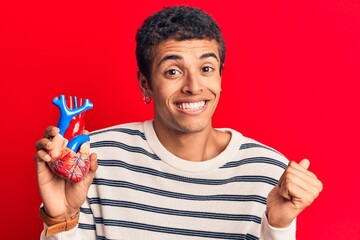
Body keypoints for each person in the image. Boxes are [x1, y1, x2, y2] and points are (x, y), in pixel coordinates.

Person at [35, 5, 323, 240]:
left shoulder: (269, 173)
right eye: (173, 71)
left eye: (207, 68)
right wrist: (61, 219)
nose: (194, 86)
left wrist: (279, 227)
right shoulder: (92, 159)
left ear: (220, 77)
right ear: (145, 84)